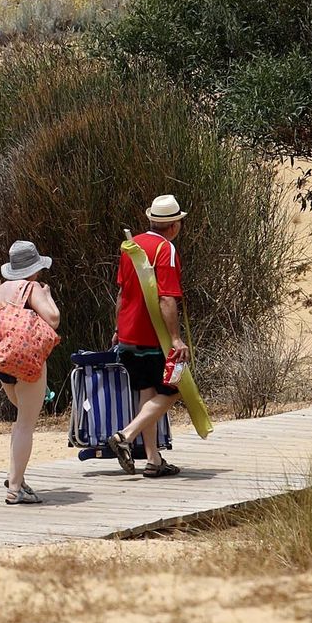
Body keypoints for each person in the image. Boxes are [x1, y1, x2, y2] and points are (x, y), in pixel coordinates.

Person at [104, 194, 189, 478]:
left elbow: (122, 292)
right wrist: (175, 338)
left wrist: (118, 328)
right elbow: (166, 297)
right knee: (175, 388)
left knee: (147, 392)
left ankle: (153, 459)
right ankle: (125, 436)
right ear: (174, 225)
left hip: (128, 333)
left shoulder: (132, 246)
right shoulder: (166, 249)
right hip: (154, 336)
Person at [0, 240, 61, 504]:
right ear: (35, 268)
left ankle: (16, 477)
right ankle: (14, 489)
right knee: (26, 424)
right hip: (29, 365)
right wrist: (47, 296)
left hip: (5, 364)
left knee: (20, 422)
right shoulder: (33, 287)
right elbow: (53, 319)